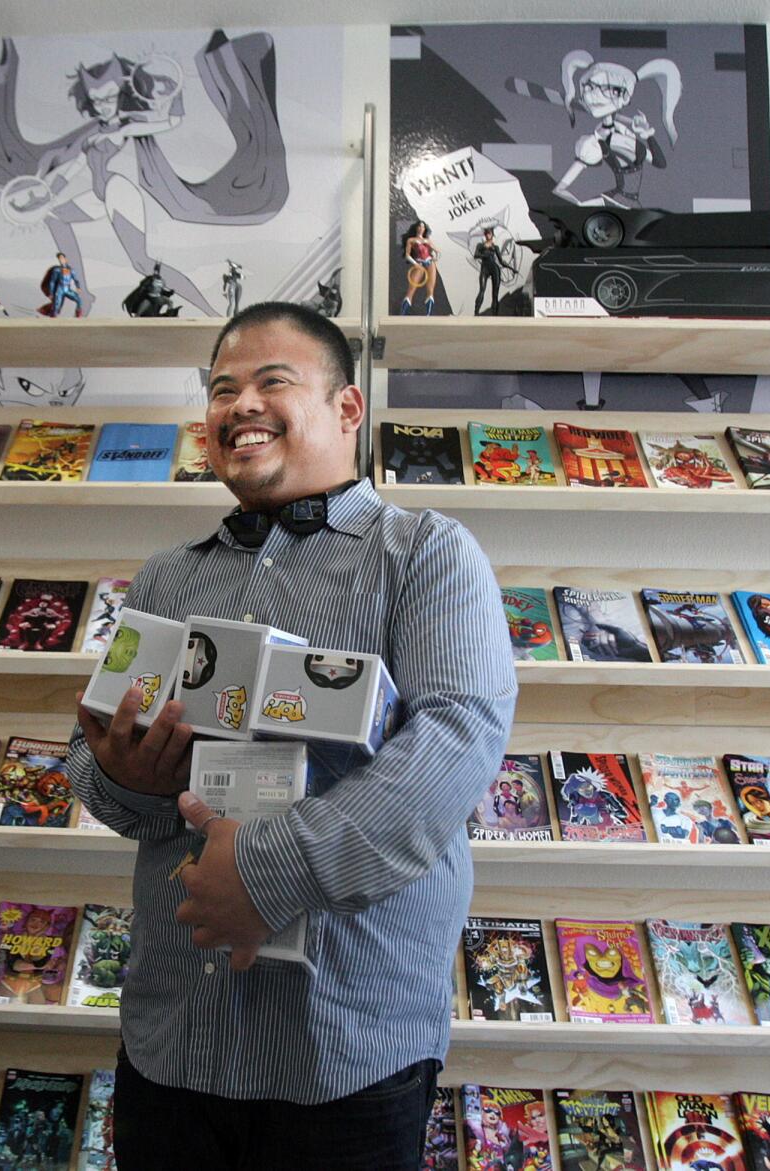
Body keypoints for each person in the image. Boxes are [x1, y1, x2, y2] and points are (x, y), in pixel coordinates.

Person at [64, 301, 516, 1170]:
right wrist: (132, 780)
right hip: (172, 1036)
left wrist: (264, 874)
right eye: (222, 388)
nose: (240, 404)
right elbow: (92, 759)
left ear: (348, 409)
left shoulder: (426, 554)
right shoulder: (167, 574)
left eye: (273, 381)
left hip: (347, 1047)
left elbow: (457, 744)